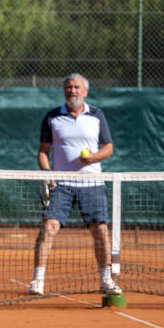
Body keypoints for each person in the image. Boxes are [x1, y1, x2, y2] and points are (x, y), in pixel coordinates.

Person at [29, 73, 122, 296]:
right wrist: (47, 173)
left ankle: (106, 279)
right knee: (48, 228)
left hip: (92, 183)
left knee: (100, 231)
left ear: (85, 91)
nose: (73, 91)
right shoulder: (52, 117)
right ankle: (38, 280)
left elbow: (108, 147)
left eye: (77, 87)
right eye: (69, 87)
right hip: (61, 184)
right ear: (64, 91)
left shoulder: (97, 115)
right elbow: (43, 151)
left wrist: (93, 158)